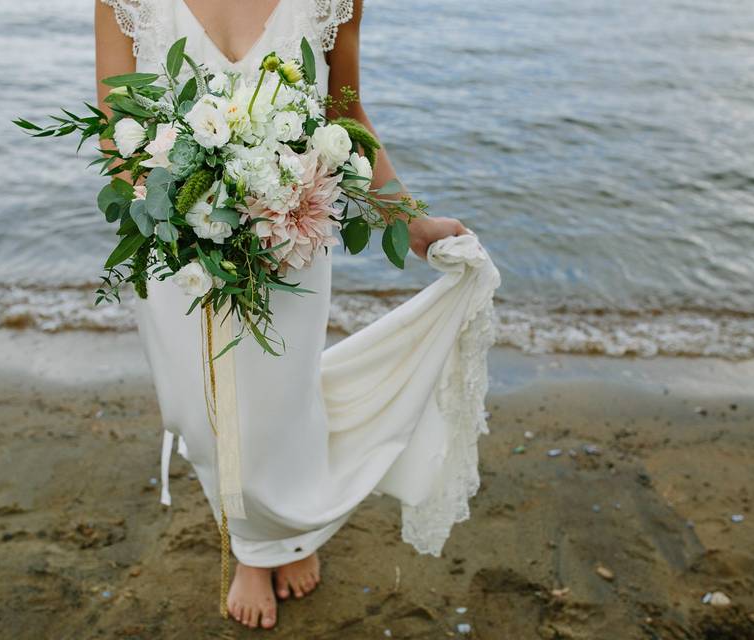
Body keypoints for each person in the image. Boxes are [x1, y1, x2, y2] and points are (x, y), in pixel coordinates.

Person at [95, 0, 493, 630]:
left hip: (288, 245)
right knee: (198, 413)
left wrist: (412, 221)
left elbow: (344, 115)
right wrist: (173, 215)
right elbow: (116, 122)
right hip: (181, 252)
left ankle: (268, 548)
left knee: (279, 407)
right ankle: (259, 534)